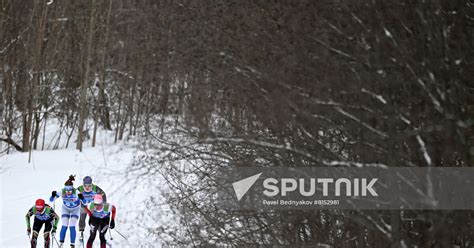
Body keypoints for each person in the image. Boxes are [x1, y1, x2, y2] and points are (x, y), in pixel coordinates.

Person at [50, 175, 86, 248]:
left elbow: (85, 203)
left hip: (75, 209)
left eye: (69, 190)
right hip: (65, 209)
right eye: (67, 190)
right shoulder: (62, 191)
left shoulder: (76, 191)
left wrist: (82, 198)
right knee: (64, 225)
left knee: (72, 226)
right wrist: (53, 196)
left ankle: (72, 245)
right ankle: (61, 243)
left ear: (72, 189)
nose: (68, 192)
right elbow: (51, 200)